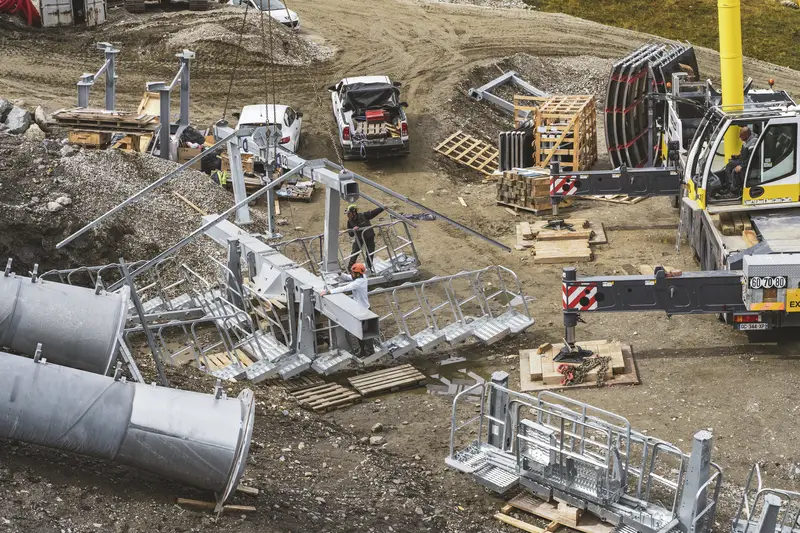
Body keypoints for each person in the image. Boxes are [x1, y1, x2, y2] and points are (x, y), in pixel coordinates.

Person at [319, 263, 373, 356]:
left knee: (364, 333)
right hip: (361, 309)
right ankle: (364, 351)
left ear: (357, 274)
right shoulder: (361, 277)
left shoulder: (359, 282)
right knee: (360, 333)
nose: (351, 274)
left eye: (353, 272)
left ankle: (369, 351)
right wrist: (340, 274)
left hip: (363, 311)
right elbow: (349, 277)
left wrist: (329, 291)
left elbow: (345, 288)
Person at [345, 204, 384, 272]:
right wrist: (353, 230)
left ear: (354, 212)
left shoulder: (364, 215)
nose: (347, 215)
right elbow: (350, 234)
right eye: (347, 214)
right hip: (359, 239)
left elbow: (373, 213)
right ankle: (349, 269)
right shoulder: (349, 221)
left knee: (370, 252)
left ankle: (369, 268)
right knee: (355, 252)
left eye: (349, 213)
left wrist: (382, 208)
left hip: (369, 237)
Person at [723, 126, 757, 194]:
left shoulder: (752, 143)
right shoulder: (746, 140)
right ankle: (729, 186)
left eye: (741, 136)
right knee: (729, 164)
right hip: (742, 160)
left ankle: (734, 189)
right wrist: (737, 156)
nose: (739, 137)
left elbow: (752, 158)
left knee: (731, 168)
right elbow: (744, 153)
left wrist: (741, 166)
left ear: (747, 135)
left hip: (746, 164)